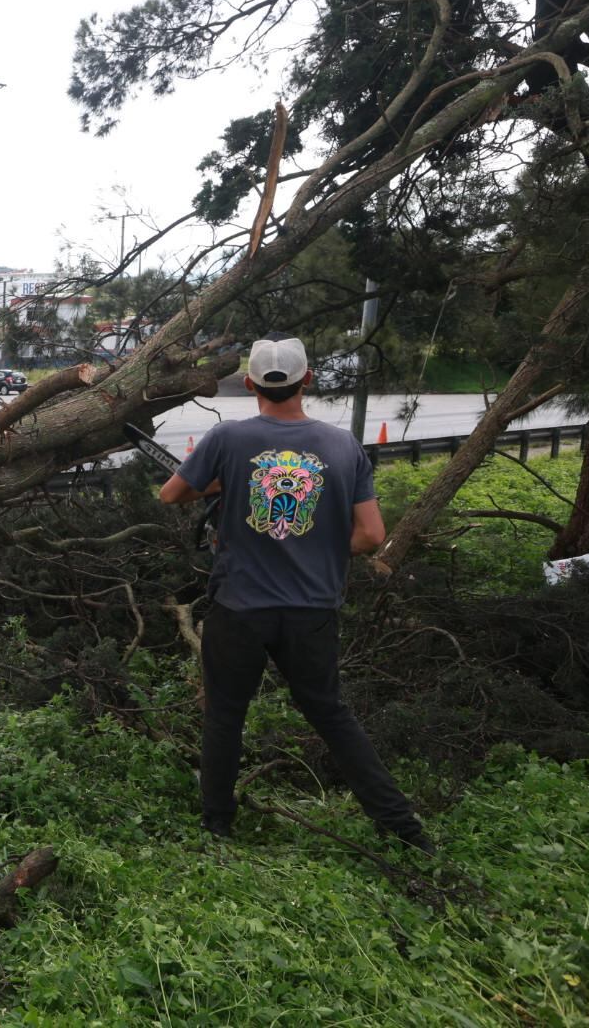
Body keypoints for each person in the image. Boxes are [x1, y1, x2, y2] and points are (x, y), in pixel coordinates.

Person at [158, 334, 434, 853]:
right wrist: (319, 548)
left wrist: (220, 483)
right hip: (311, 612)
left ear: (249, 384)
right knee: (330, 713)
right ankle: (404, 830)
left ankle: (217, 826)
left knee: (225, 714)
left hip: (239, 609)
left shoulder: (228, 439)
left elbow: (171, 493)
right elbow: (373, 535)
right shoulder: (341, 445)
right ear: (308, 379)